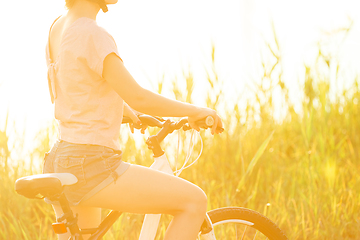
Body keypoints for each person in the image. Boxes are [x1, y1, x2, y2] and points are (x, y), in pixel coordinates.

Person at [43, 0, 223, 239]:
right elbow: (139, 97)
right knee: (194, 202)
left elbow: (76, 84)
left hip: (62, 157)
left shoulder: (57, 28)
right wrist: (195, 111)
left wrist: (122, 109)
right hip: (92, 163)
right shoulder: (92, 34)